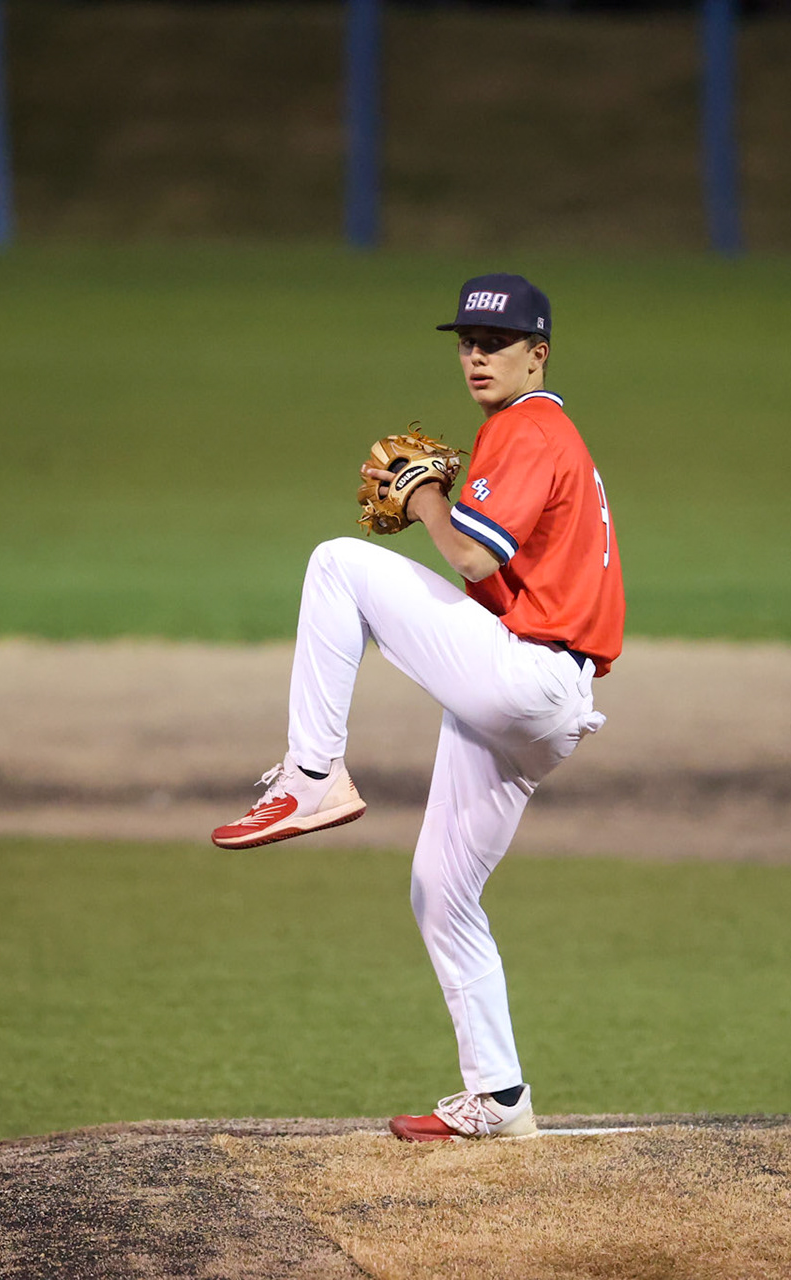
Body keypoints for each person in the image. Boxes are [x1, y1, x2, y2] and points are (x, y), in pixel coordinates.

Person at [211, 273, 625, 1142]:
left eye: (497, 343)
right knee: (442, 890)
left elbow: (474, 562)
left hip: (524, 678)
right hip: (541, 702)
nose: (477, 357)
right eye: (468, 343)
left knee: (337, 564)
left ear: (537, 354)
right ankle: (501, 1098)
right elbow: (504, 582)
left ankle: (312, 774)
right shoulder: (548, 435)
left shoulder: (527, 427)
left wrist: (427, 496)